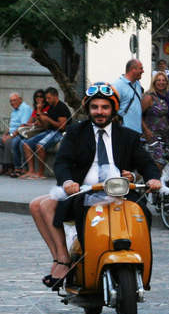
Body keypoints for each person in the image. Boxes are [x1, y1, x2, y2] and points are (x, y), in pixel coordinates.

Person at [29, 84, 161, 289]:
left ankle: (142, 264)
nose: (99, 112)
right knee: (40, 205)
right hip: (84, 191)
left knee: (143, 213)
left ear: (113, 109)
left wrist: (153, 178)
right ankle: (64, 258)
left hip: (119, 191)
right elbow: (62, 162)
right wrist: (68, 182)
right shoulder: (75, 132)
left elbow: (146, 163)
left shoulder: (128, 136)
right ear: (88, 109)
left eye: (105, 107)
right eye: (95, 107)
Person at [20, 87, 70, 179]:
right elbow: (45, 125)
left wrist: (48, 119)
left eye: (49, 98)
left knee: (40, 146)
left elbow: (62, 126)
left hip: (59, 133)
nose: (47, 100)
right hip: (49, 131)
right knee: (26, 144)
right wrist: (39, 111)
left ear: (56, 96)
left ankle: (40, 173)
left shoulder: (61, 107)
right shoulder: (50, 108)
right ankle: (31, 171)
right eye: (46, 98)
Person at [141, 71, 169, 165]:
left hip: (166, 137)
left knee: (165, 164)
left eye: (164, 80)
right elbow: (138, 115)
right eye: (159, 80)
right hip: (153, 136)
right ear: (154, 82)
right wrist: (146, 131)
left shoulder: (168, 96)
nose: (161, 82)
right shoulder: (149, 97)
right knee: (156, 164)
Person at [9, 90, 47, 175]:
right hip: (32, 131)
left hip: (42, 131)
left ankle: (24, 168)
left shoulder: (45, 108)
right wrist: (30, 123)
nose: (39, 98)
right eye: (37, 97)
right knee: (15, 142)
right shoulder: (35, 109)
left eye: (41, 96)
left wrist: (39, 109)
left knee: (20, 142)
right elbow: (29, 122)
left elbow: (43, 124)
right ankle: (16, 168)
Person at [0, 92, 32, 174]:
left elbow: (23, 125)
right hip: (13, 133)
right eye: (11, 101)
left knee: (8, 142)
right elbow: (11, 126)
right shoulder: (14, 110)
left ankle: (10, 167)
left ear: (20, 100)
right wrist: (4, 134)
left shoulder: (25, 108)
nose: (12, 103)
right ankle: (4, 166)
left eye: (14, 100)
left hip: (21, 134)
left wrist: (10, 136)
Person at [113, 59, 145, 135]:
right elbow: (111, 110)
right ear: (133, 69)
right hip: (123, 132)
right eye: (141, 68)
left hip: (137, 132)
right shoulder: (117, 86)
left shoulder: (138, 84)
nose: (143, 71)